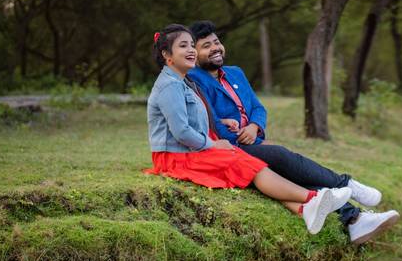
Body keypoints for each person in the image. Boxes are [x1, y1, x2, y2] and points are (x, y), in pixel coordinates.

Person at [186, 20, 399, 245]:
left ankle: (356, 220)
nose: (215, 48)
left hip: (253, 139)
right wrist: (240, 136)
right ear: (194, 53)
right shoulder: (195, 79)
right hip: (232, 147)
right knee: (281, 156)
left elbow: (258, 107)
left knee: (289, 172)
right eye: (206, 46)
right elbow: (209, 121)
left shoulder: (235, 73)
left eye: (217, 42)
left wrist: (254, 126)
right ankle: (346, 186)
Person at [145, 24, 351, 235]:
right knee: (249, 166)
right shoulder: (170, 86)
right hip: (174, 158)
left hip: (187, 151)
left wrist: (223, 122)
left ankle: (304, 209)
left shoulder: (181, 81)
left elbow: (191, 120)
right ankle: (313, 199)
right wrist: (214, 144)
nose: (191, 50)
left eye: (191, 45)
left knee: (249, 163)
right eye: (183, 46)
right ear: (167, 55)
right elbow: (181, 132)